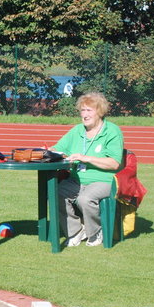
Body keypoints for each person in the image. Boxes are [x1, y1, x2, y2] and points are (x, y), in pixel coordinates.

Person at [50, 92, 124, 247]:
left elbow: (114, 163)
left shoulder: (112, 131)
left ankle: (96, 232)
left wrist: (86, 158)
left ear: (100, 111)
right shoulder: (77, 130)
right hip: (77, 179)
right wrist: (46, 152)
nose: (84, 114)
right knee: (55, 193)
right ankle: (75, 231)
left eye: (89, 110)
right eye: (82, 110)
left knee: (85, 199)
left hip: (103, 180)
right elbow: (58, 148)